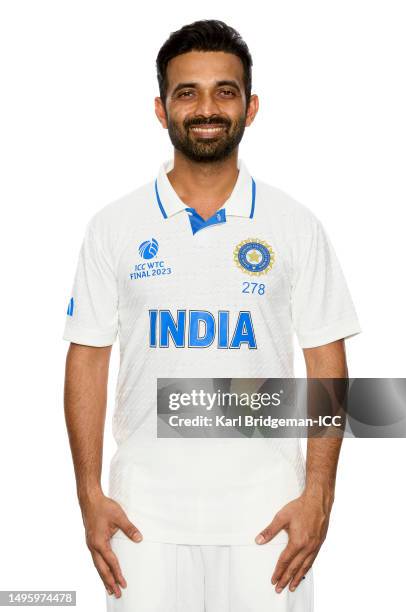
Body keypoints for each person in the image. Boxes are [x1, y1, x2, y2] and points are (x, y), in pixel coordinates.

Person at [63, 19, 361, 611]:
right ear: (161, 108)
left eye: (225, 91)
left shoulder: (294, 225)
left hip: (268, 514)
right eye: (187, 92)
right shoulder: (113, 228)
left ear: (250, 108)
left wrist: (318, 492)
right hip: (143, 514)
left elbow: (327, 359)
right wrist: (89, 494)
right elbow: (87, 360)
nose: (207, 108)